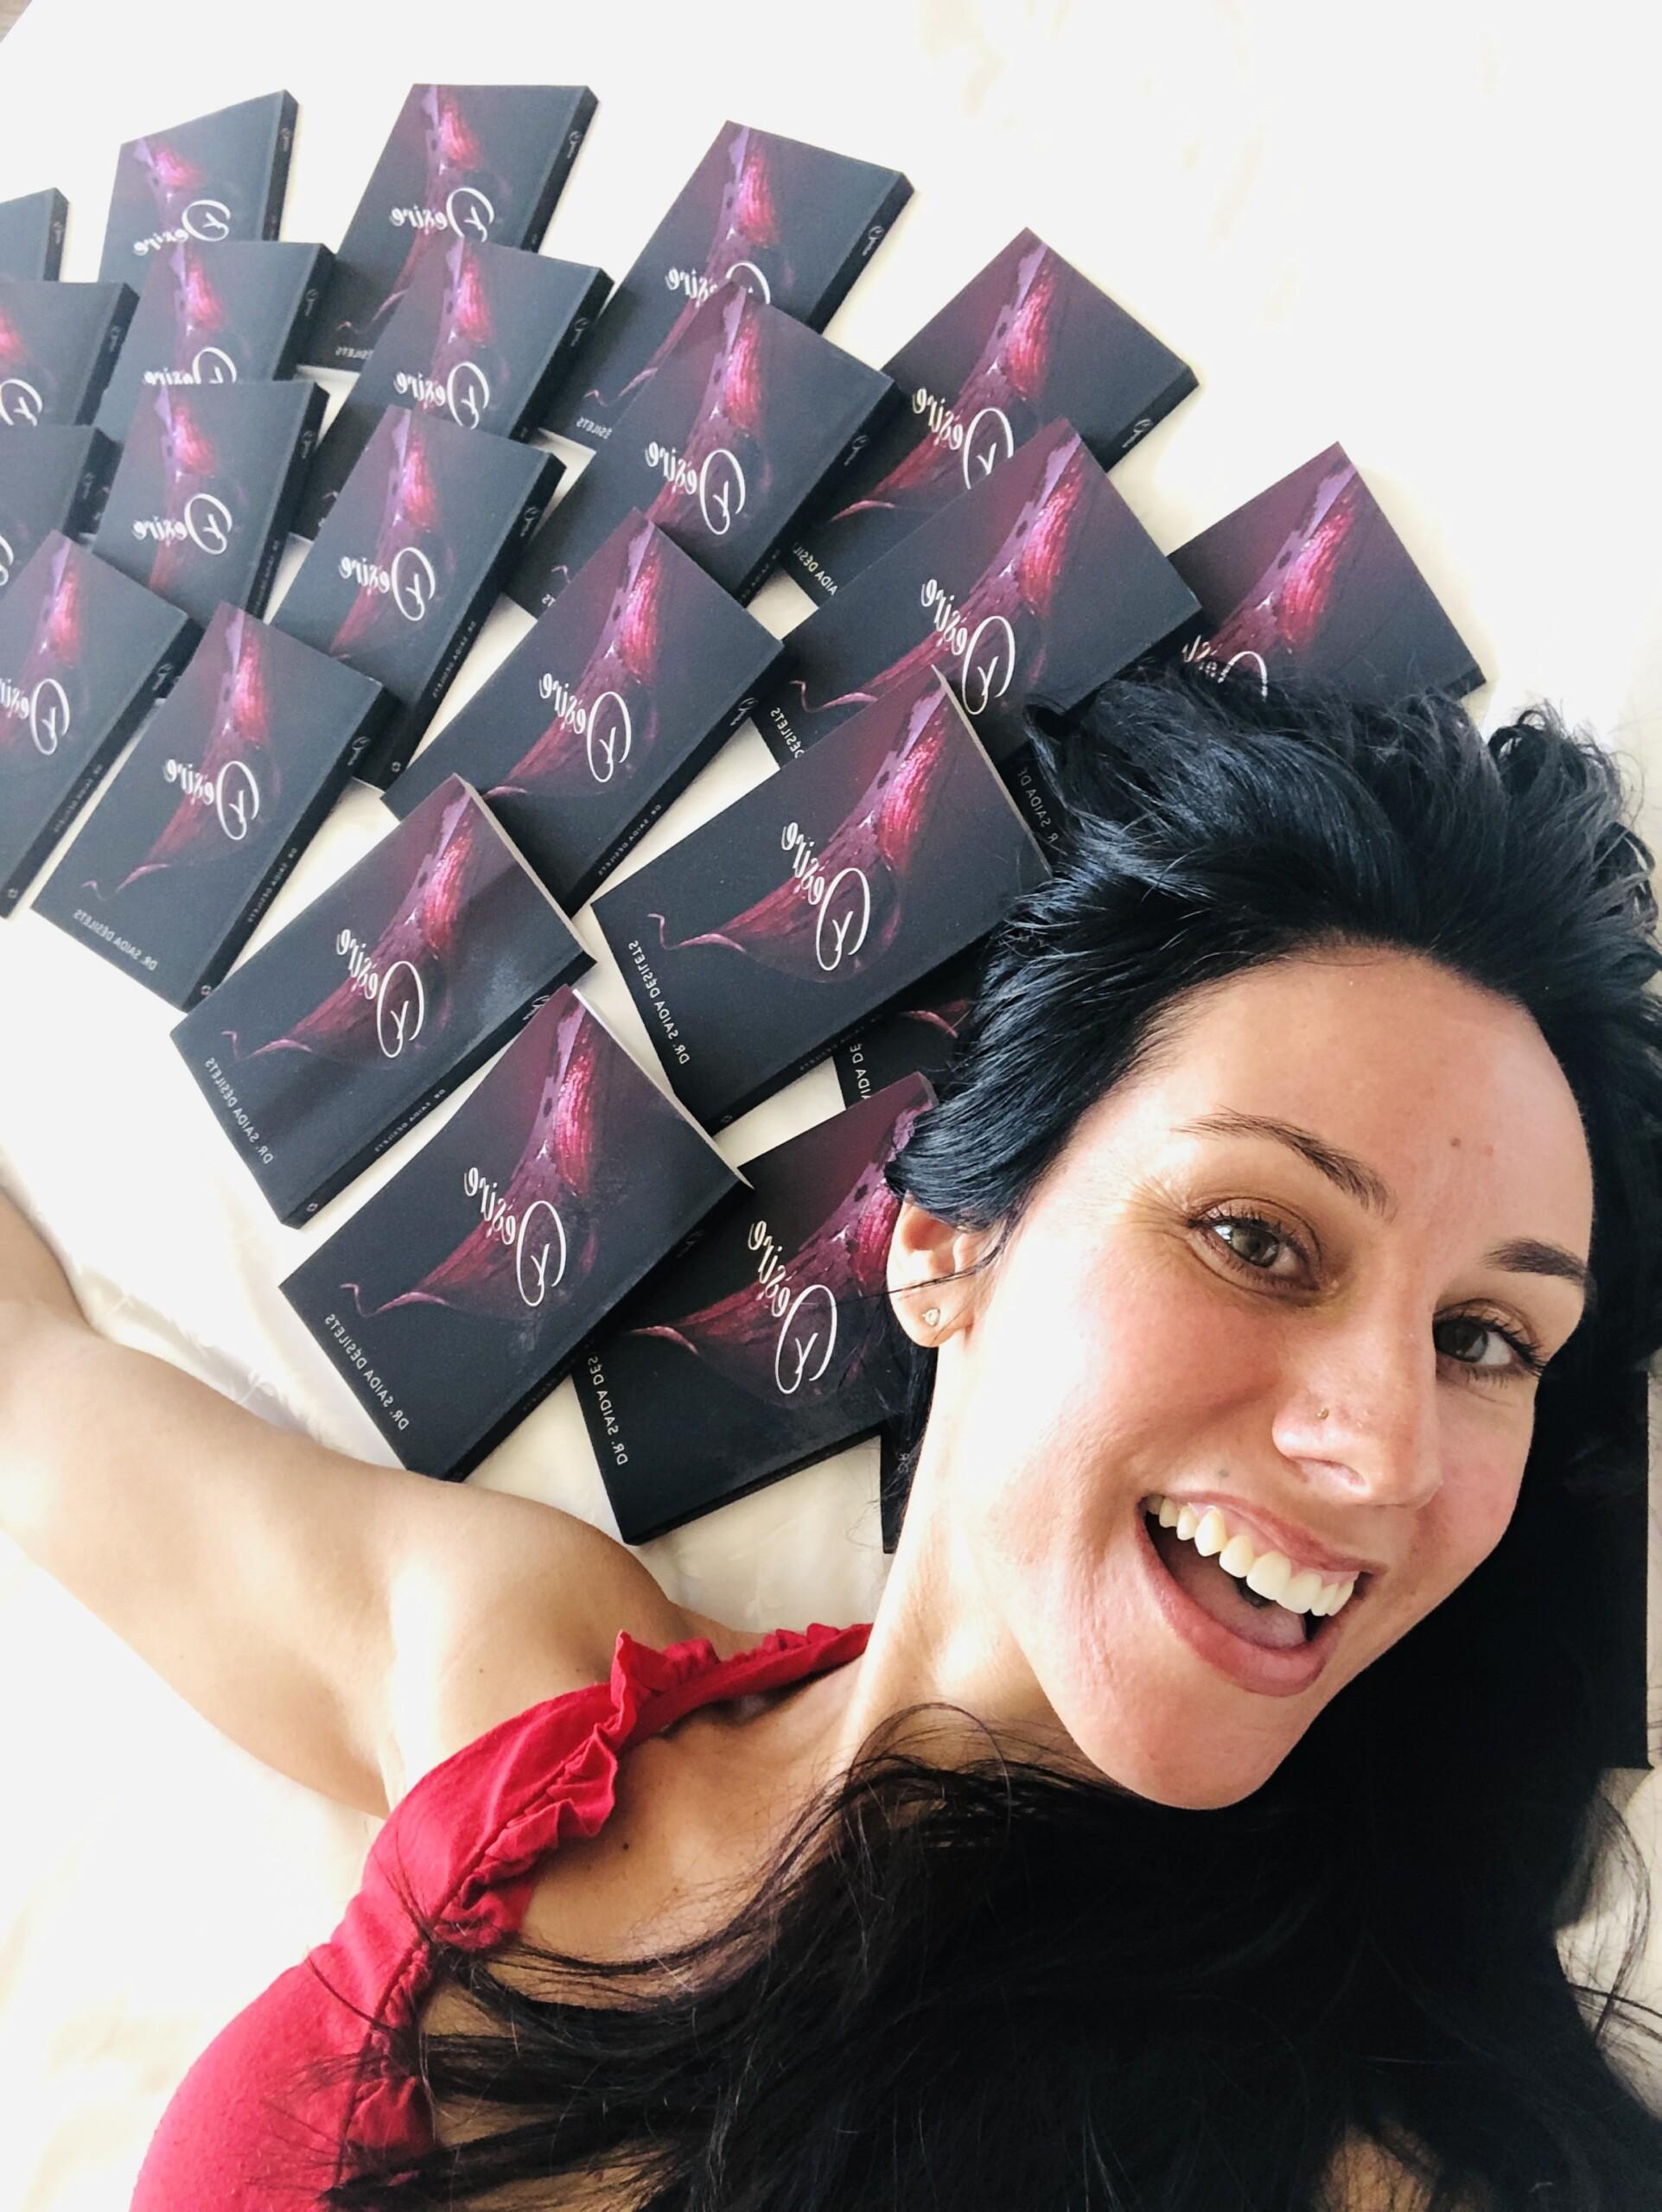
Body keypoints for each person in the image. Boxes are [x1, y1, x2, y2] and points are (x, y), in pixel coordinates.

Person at [3, 665, 1661, 2209]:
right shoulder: (517, 1686)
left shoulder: (1397, 2155)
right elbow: (27, 1383)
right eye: (1257, 1237)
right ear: (944, 1247)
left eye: (1484, 1339)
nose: (1388, 1450)